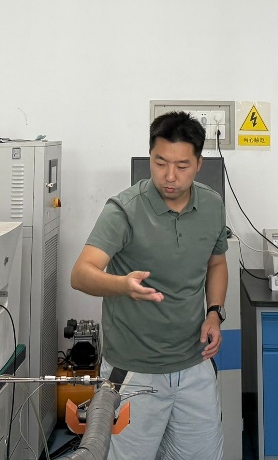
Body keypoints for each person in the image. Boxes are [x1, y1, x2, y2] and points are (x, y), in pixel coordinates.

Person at [70, 111, 228, 460]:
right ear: (150, 158)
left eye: (182, 166)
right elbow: (81, 273)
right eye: (160, 163)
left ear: (199, 164)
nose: (169, 176)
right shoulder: (124, 210)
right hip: (134, 372)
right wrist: (121, 285)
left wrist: (215, 312)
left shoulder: (212, 205)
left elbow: (216, 262)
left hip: (194, 365)